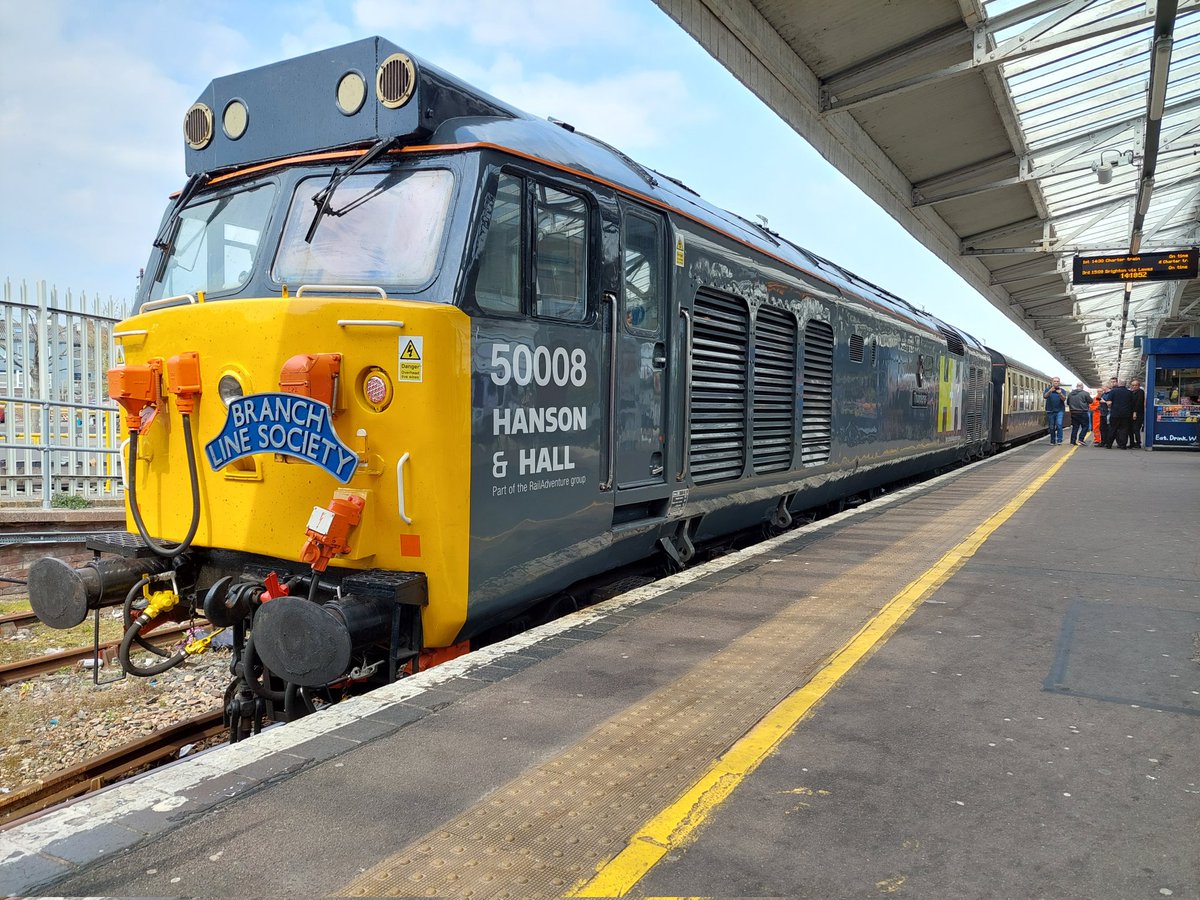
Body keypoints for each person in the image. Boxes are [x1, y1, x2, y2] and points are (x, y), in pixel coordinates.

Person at [1105, 379, 1135, 449]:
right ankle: (1123, 445)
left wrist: (1111, 408)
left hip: (1115, 413)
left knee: (1112, 429)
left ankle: (1109, 445)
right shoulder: (1129, 392)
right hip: (1126, 414)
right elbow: (1132, 404)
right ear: (1126, 384)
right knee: (1124, 429)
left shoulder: (1113, 391)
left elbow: (1109, 402)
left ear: (1118, 383)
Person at [1043, 377, 1067, 445]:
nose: (1056, 382)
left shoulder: (1062, 390)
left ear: (1059, 382)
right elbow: (1045, 396)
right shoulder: (1048, 389)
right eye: (1055, 381)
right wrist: (1050, 391)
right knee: (1051, 426)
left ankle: (1059, 440)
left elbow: (1064, 399)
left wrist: (1060, 393)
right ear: (1052, 382)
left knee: (1059, 425)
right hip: (1050, 410)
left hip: (1060, 410)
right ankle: (1052, 440)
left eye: (1057, 381)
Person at [1128, 378, 1146, 448]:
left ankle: (1138, 443)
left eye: (1136, 385)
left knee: (1136, 429)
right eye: (1133, 385)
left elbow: (1138, 403)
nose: (1134, 386)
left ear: (1139, 386)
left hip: (1138, 413)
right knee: (1130, 429)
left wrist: (1135, 412)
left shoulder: (1140, 392)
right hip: (1131, 413)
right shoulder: (1131, 392)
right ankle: (1132, 443)